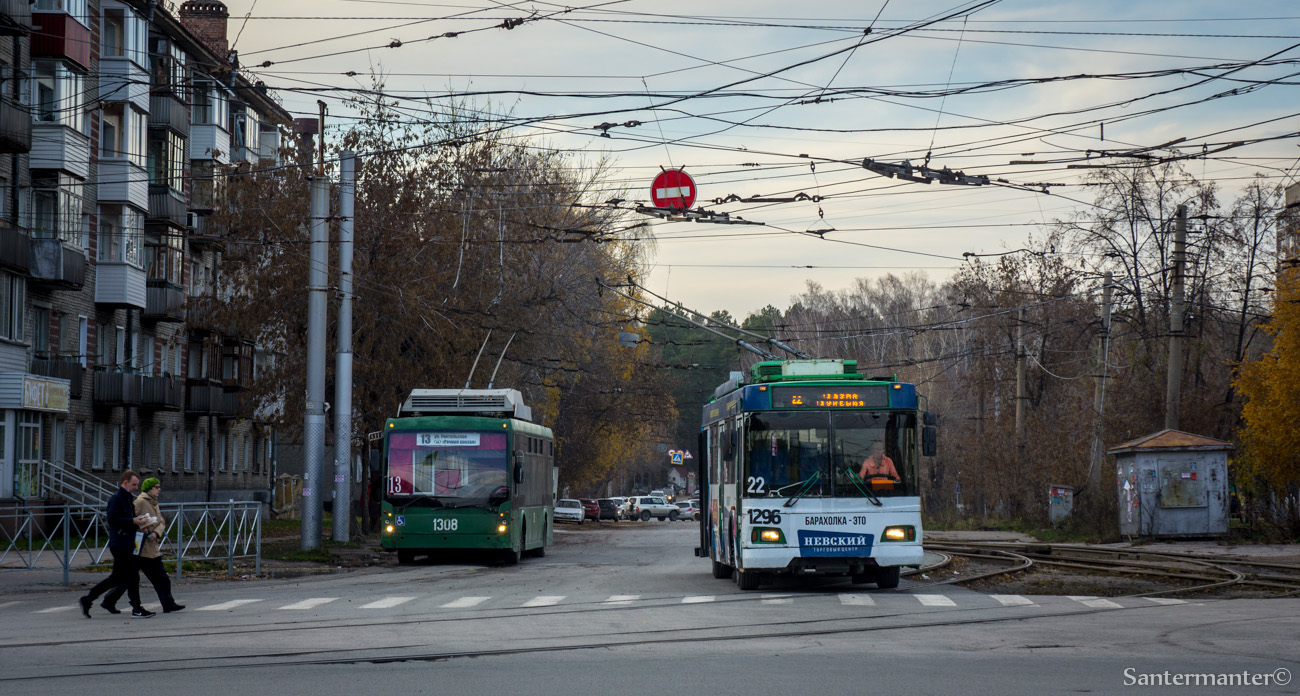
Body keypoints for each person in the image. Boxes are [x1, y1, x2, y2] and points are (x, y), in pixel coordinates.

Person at [80, 470, 154, 619]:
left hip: (126, 542)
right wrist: (132, 521)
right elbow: (112, 519)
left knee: (118, 578)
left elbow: (128, 518)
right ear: (125, 482)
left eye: (137, 485)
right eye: (134, 484)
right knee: (133, 576)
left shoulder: (127, 498)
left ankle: (88, 599)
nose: (136, 487)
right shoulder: (117, 498)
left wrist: (141, 523)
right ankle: (136, 608)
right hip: (120, 543)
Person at [103, 478, 184, 613]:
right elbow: (131, 520)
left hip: (152, 547)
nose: (159, 489)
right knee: (128, 579)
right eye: (156, 487)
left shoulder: (154, 503)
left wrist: (156, 533)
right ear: (149, 488)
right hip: (140, 548)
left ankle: (168, 603)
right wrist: (143, 529)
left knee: (161, 578)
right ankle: (109, 601)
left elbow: (161, 522)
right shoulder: (140, 502)